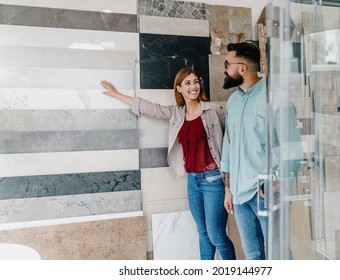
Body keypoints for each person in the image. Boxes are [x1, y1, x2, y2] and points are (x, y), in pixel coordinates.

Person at [100, 68, 236, 260]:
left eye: (195, 82)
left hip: (214, 180)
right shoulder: (177, 114)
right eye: (187, 83)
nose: (193, 86)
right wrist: (117, 94)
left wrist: (229, 186)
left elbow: (230, 146)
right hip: (193, 181)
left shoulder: (213, 110)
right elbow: (150, 108)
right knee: (203, 234)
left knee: (217, 235)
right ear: (179, 89)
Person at [220, 42, 302, 259]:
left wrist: (279, 181)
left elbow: (291, 147)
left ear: (242, 68)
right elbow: (228, 146)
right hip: (239, 196)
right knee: (253, 256)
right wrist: (228, 188)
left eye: (227, 64)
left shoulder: (276, 99)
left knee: (279, 255)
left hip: (265, 192)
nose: (224, 69)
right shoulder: (233, 102)